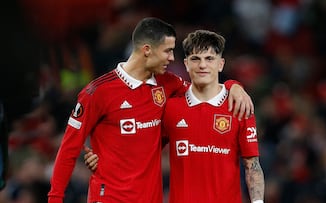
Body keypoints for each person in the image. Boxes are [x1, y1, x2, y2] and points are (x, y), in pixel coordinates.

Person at [48, 17, 254, 203]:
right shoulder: (98, 92)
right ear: (147, 49)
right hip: (110, 198)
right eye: (167, 50)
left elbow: (204, 88)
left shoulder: (167, 84)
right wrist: (55, 199)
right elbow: (68, 149)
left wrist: (233, 85)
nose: (172, 58)